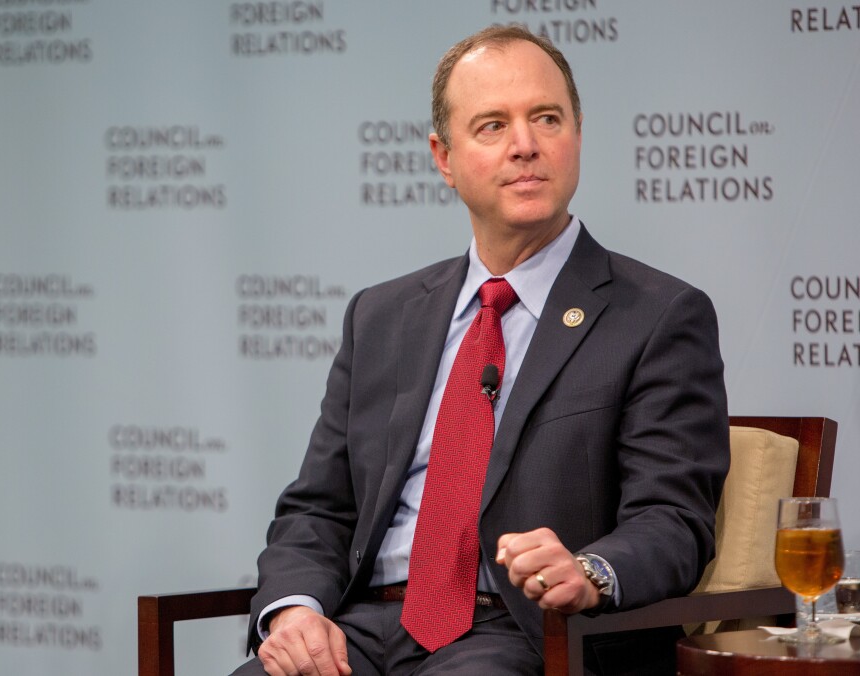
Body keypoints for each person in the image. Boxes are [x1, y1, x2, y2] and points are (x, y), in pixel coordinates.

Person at [233, 24, 729, 676]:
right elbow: (318, 509)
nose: (525, 146)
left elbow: (673, 520)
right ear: (444, 157)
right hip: (360, 630)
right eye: (493, 126)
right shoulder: (380, 316)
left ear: (577, 133)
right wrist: (295, 611)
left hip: (524, 635)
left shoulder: (657, 315)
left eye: (546, 119)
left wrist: (589, 572)